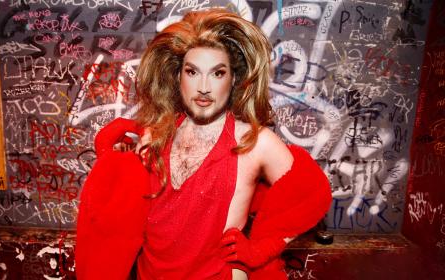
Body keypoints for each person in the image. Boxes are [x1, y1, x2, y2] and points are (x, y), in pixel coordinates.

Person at [76, 8, 332, 280]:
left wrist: (262, 248)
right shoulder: (157, 134)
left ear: (234, 79)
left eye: (218, 73)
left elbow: (312, 195)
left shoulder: (255, 143)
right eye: (192, 72)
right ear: (178, 77)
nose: (204, 87)